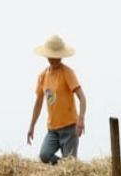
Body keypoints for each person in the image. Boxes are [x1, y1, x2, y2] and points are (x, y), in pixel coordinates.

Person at [27, 35, 87, 165]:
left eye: (57, 56)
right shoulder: (43, 76)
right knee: (44, 155)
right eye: (51, 56)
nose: (54, 59)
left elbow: (82, 98)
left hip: (70, 128)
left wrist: (81, 119)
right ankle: (65, 171)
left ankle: (69, 170)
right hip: (53, 129)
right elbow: (38, 103)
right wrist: (32, 125)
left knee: (70, 164)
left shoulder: (67, 73)